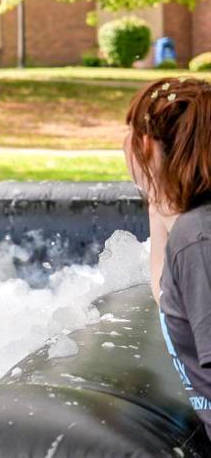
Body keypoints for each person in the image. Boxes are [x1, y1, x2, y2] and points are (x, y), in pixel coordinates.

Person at [123, 76, 211, 435]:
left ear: (144, 144)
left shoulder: (199, 240)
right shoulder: (192, 229)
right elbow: (166, 293)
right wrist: (158, 193)